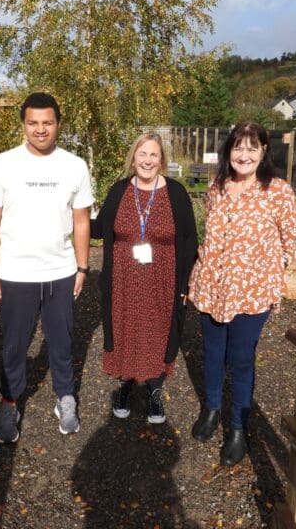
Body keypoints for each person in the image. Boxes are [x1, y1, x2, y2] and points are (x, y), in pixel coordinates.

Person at [0, 92, 93, 443]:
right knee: (14, 345)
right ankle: (10, 401)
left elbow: (81, 220)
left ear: (58, 124)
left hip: (60, 272)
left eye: (47, 122)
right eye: (33, 123)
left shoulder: (74, 165)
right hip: (16, 273)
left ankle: (66, 397)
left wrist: (82, 267)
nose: (40, 130)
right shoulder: (3, 164)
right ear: (23, 125)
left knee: (62, 341)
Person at [188, 121, 296, 466]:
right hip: (212, 286)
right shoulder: (216, 188)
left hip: (251, 293)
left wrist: (266, 271)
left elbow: (292, 242)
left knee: (239, 359)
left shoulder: (278, 191)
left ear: (264, 151)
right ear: (229, 151)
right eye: (239, 147)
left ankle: (237, 427)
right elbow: (211, 236)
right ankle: (210, 409)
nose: (245, 155)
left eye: (253, 148)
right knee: (212, 352)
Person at [91, 133, 197, 423]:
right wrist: (69, 214)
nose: (148, 161)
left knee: (158, 329)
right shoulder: (119, 190)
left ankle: (153, 390)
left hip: (162, 278)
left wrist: (186, 284)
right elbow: (99, 228)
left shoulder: (176, 192)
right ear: (133, 157)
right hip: (123, 278)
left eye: (153, 155)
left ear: (161, 160)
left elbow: (189, 241)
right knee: (124, 326)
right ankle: (124, 384)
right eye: (142, 154)